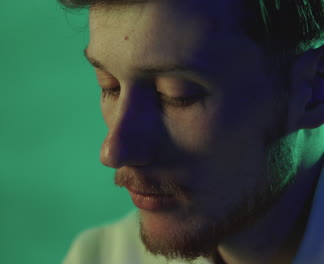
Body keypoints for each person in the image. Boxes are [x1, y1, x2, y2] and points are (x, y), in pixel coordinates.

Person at [59, 0, 324, 263]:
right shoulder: (98, 256)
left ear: (315, 89)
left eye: (176, 94)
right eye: (109, 86)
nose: (113, 152)